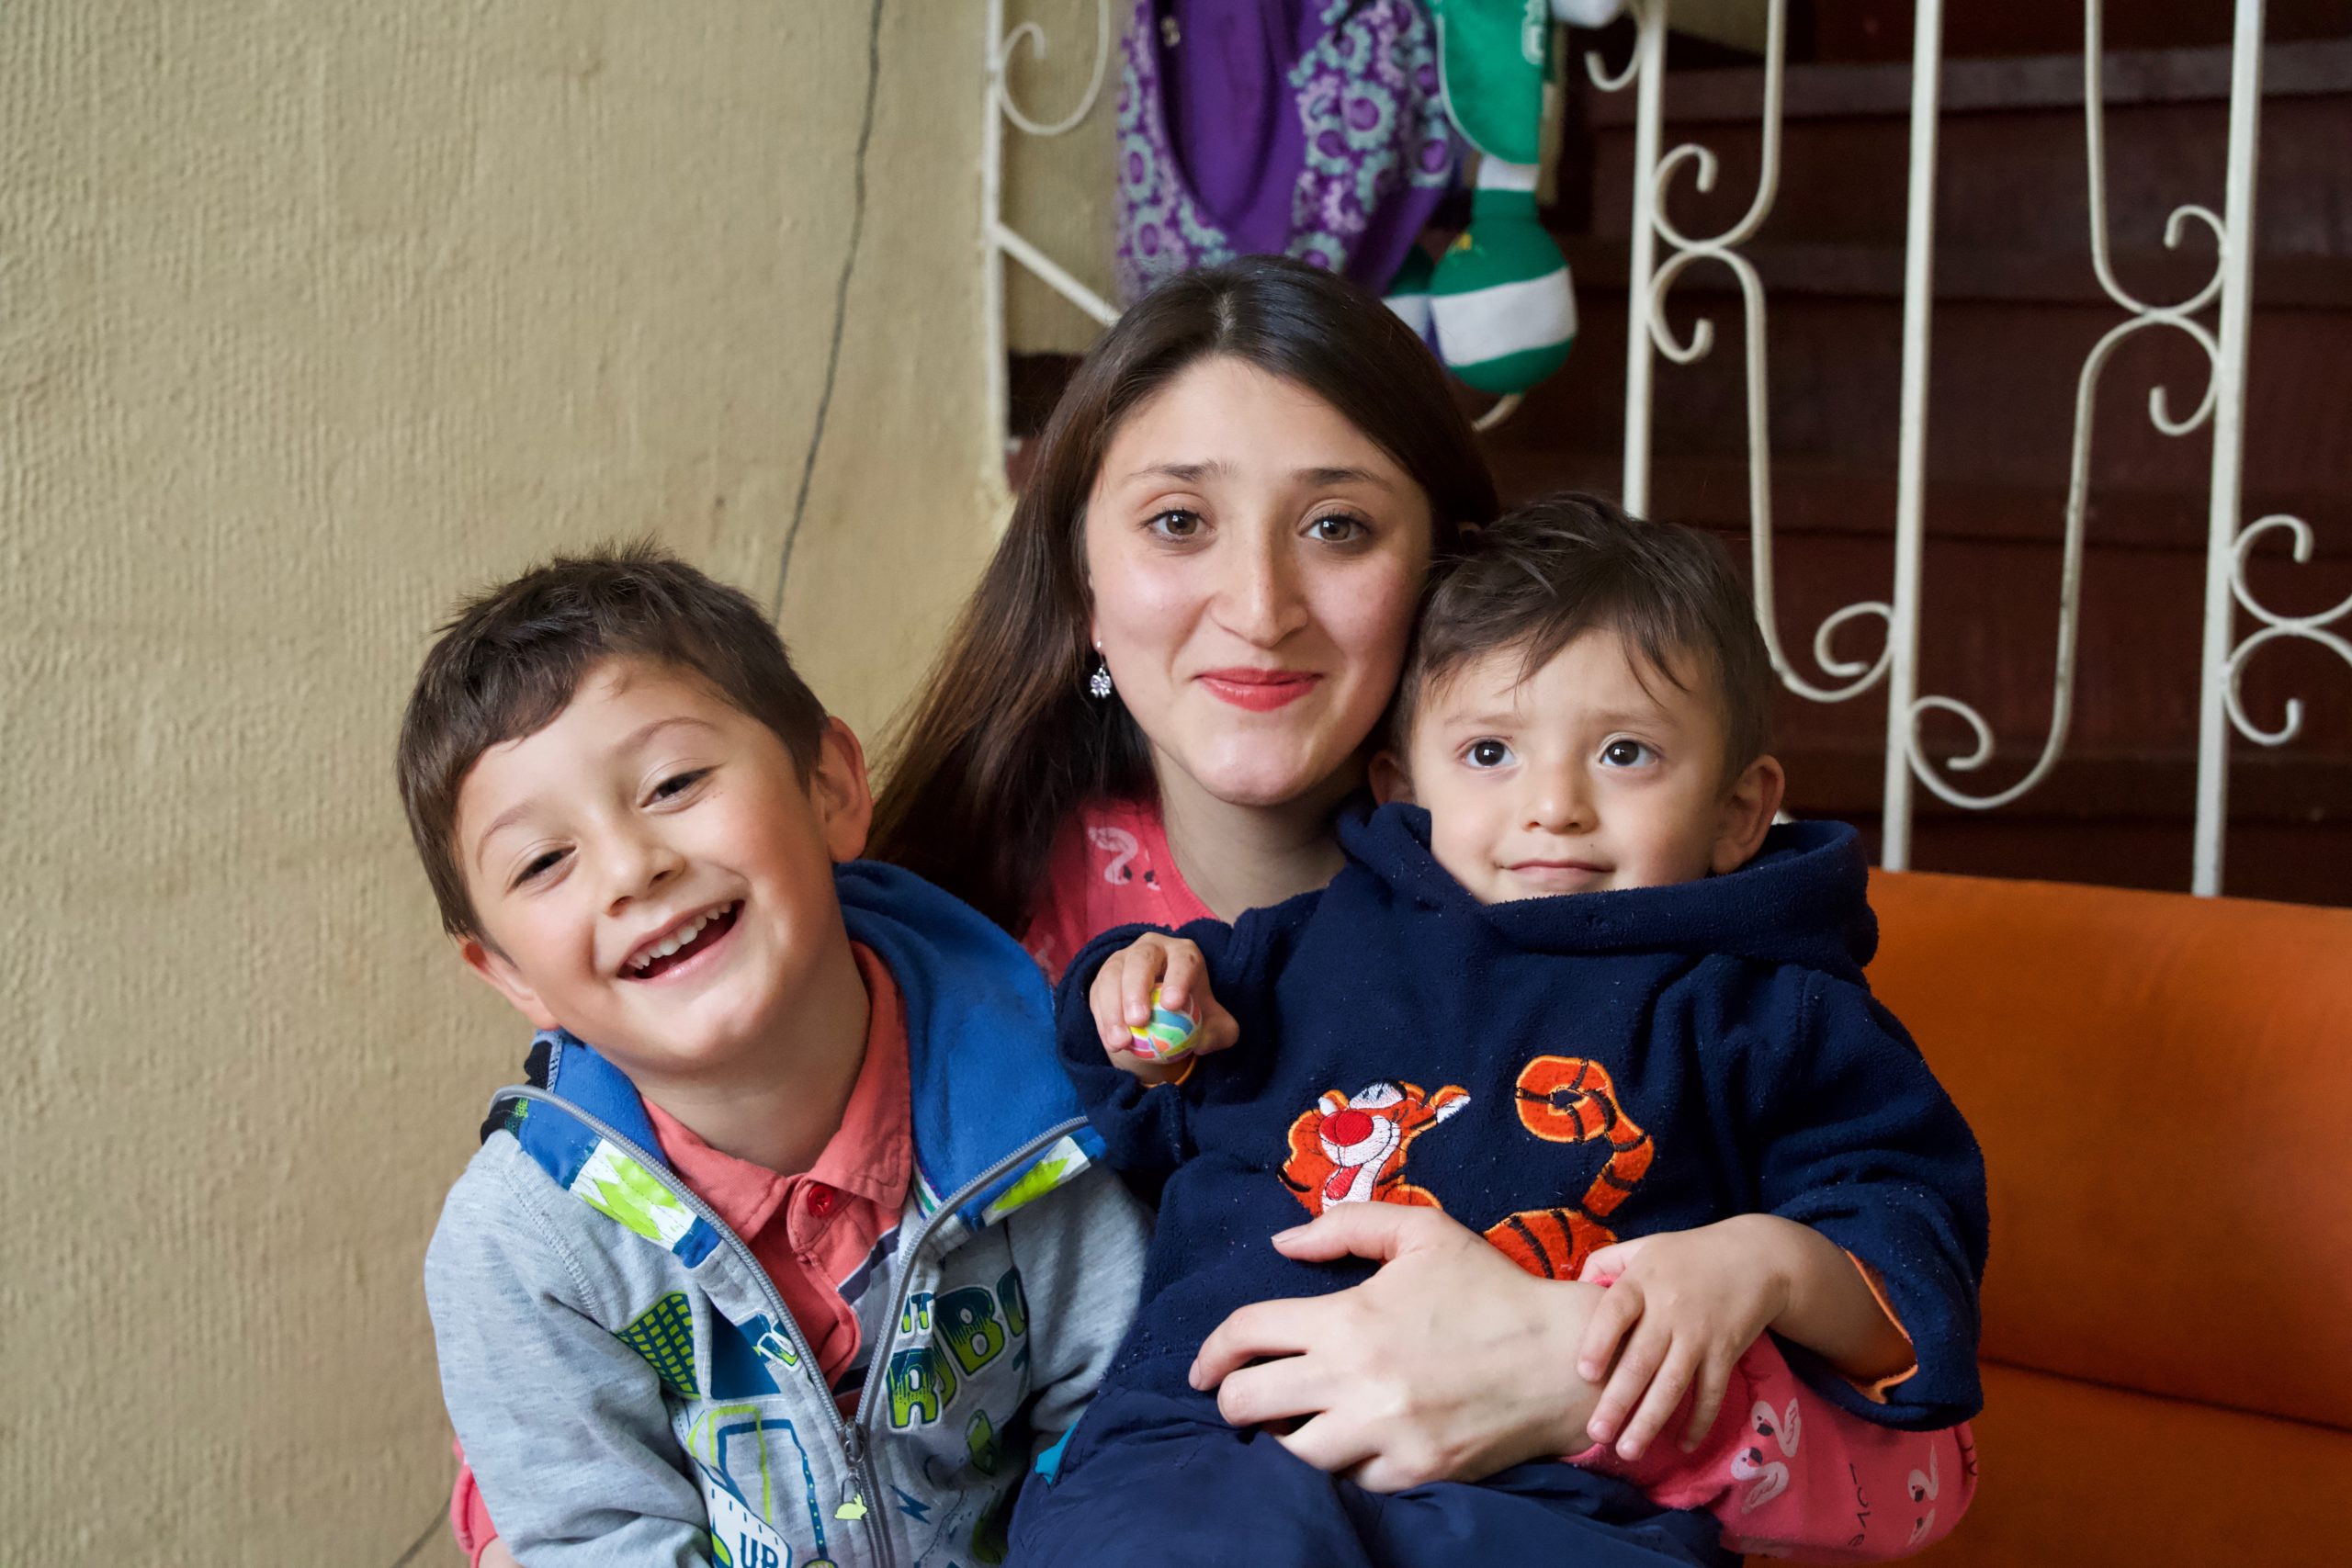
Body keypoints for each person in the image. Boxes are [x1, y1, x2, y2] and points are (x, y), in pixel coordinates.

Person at [450, 255, 1973, 1560]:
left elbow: (1924, 1477)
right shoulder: (896, 954)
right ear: (1086, 581)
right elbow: (576, 1439)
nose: (1259, 604)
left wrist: (1575, 1373)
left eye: (1340, 527)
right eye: (1180, 522)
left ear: (1445, 577)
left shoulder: (1666, 941)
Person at [1011, 495, 1988, 1565]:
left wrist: (1761, 1264)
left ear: (1736, 812)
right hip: (1212, 1437)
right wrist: (1133, 994)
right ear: (1404, 786)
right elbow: (1146, 1108)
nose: (1553, 805)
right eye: (1488, 754)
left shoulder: (1764, 1004)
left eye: (1623, 752)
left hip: (1562, 1492)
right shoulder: (1305, 947)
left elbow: (1908, 1255)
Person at [405, 547, 1151, 1567]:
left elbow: (1117, 1443)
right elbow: (593, 1539)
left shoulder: (1037, 1120)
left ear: (832, 785)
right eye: (544, 861)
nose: (633, 866)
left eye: (673, 783)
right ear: (509, 976)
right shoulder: (527, 1246)